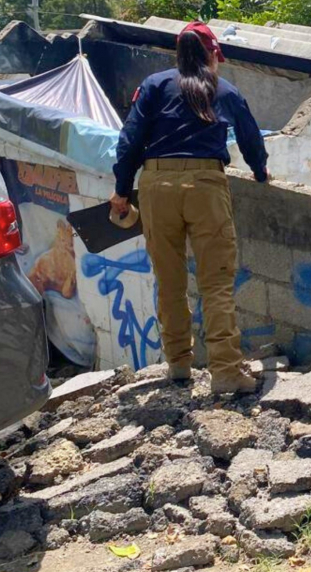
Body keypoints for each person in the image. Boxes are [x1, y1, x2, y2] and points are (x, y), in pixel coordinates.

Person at [111, 21, 269, 394]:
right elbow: (250, 139)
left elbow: (130, 139)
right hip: (205, 187)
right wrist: (261, 172)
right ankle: (225, 372)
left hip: (156, 186)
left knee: (169, 282)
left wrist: (121, 190)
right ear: (212, 54)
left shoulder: (154, 85)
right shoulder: (225, 89)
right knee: (216, 283)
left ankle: (179, 365)